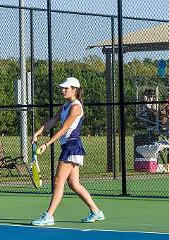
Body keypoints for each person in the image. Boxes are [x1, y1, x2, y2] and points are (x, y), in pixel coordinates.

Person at [30, 77, 104, 226]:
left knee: (58, 181)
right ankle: (96, 211)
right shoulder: (65, 106)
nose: (63, 90)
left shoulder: (76, 107)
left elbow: (64, 129)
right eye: (62, 88)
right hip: (69, 147)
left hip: (72, 147)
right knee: (74, 184)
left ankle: (49, 215)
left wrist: (47, 144)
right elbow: (52, 122)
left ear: (75, 90)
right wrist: (37, 133)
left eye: (66, 88)